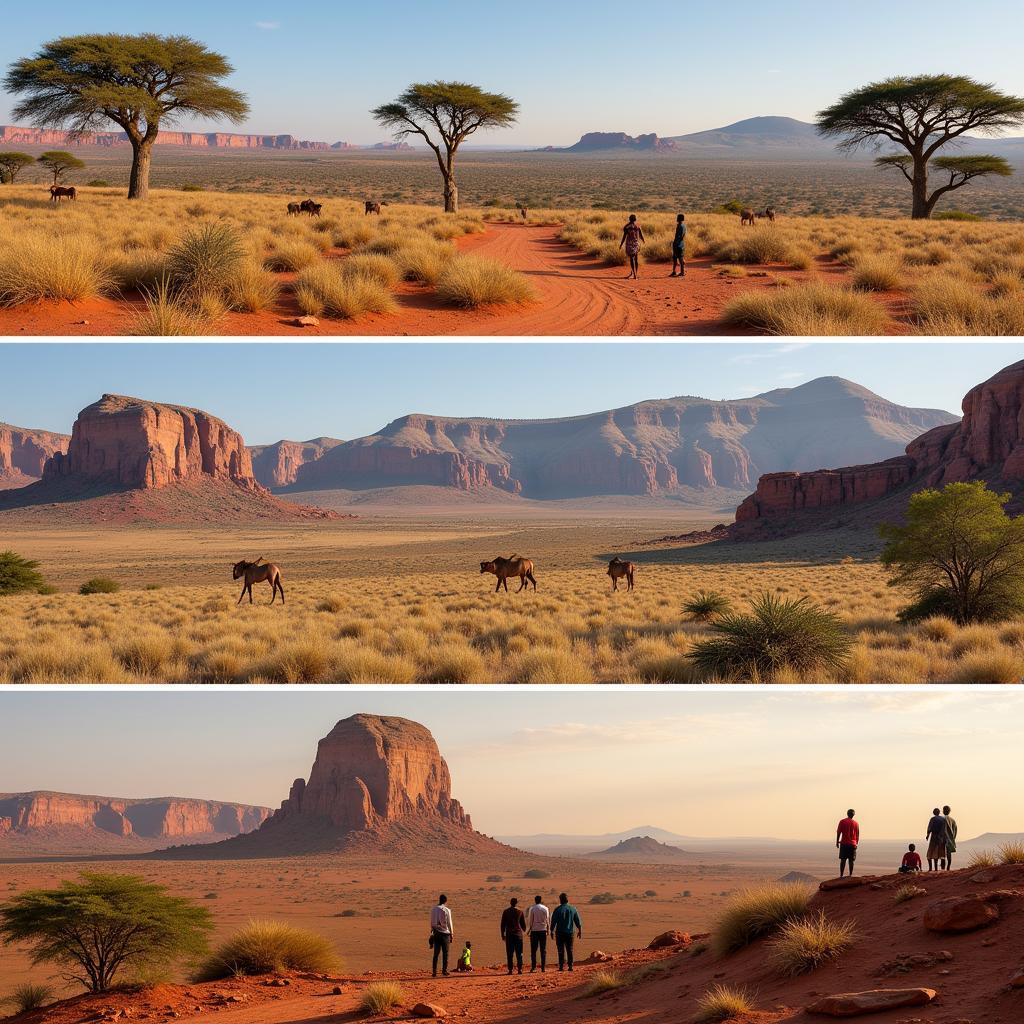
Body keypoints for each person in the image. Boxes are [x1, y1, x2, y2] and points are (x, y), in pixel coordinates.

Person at [549, 892, 582, 972]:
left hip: (560, 933)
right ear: (567, 899)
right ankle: (570, 966)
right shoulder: (573, 908)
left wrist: (552, 931)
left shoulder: (557, 909)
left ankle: (561, 967)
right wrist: (580, 930)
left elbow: (553, 921)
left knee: (560, 950)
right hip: (570, 933)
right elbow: (577, 921)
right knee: (569, 949)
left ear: (560, 900)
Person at [500, 897, 527, 975]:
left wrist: (502, 935)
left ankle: (510, 970)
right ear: (516, 903)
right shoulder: (520, 912)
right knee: (519, 953)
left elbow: (502, 925)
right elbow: (523, 926)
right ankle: (520, 969)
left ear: (510, 903)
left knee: (509, 953)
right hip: (518, 935)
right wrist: (524, 930)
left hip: (509, 935)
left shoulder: (506, 912)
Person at [430, 894, 453, 977]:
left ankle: (434, 972)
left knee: (436, 954)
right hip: (445, 934)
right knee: (445, 953)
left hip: (436, 933)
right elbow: (449, 923)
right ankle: (444, 971)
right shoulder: (447, 910)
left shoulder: (433, 910)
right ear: (445, 901)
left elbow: (431, 923)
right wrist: (452, 934)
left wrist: (432, 932)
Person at [526, 894, 550, 972]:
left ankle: (533, 967)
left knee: (533, 950)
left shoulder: (532, 909)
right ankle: (543, 968)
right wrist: (548, 930)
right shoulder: (545, 908)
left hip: (534, 931)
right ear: (541, 900)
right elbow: (547, 920)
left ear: (535, 900)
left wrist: (529, 930)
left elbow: (530, 921)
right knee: (543, 950)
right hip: (543, 930)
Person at [619, 214, 645, 279]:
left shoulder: (626, 227)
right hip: (636, 244)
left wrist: (621, 244)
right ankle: (635, 273)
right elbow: (641, 235)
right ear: (635, 219)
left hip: (629, 244)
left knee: (631, 259)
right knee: (636, 259)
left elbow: (624, 236)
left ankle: (634, 274)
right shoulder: (638, 226)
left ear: (629, 219)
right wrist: (643, 241)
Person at [836, 809, 859, 877]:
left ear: (847, 813)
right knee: (851, 860)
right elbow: (857, 835)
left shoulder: (842, 821)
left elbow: (838, 832)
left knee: (843, 860)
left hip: (844, 843)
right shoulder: (856, 823)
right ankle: (850, 875)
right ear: (853, 815)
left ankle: (841, 875)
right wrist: (856, 843)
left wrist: (837, 841)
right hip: (852, 844)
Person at [671, 213, 687, 278]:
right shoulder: (684, 226)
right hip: (681, 243)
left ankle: (682, 272)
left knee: (679, 258)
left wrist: (675, 243)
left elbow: (678, 236)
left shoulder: (680, 226)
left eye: (677, 218)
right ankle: (674, 271)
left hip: (678, 244)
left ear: (679, 219)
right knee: (676, 258)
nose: (676, 219)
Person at [943, 805, 958, 870]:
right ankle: (948, 867)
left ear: (943, 811)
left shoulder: (942, 819)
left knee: (942, 854)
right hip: (950, 840)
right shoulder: (952, 820)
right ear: (949, 811)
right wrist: (953, 838)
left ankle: (942, 868)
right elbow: (955, 830)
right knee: (949, 854)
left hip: (943, 839)